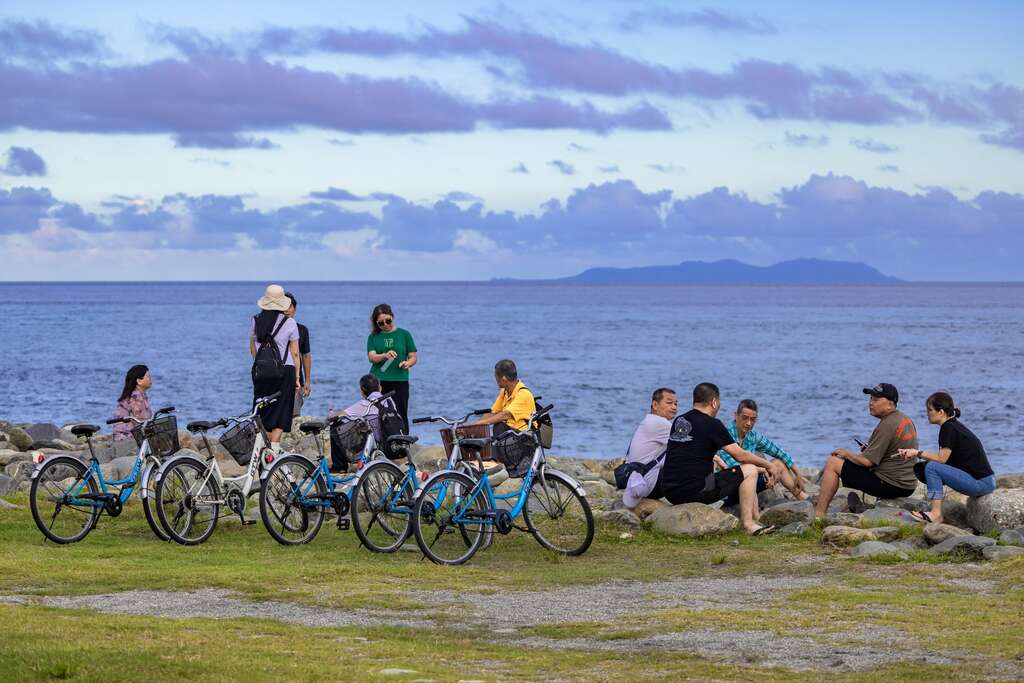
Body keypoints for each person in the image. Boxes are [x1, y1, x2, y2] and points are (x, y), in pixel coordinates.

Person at [656, 383, 783, 535]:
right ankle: (748, 525)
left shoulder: (679, 420)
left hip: (670, 491)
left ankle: (751, 519)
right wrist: (769, 465)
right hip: (695, 491)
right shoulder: (712, 424)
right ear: (714, 402)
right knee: (749, 470)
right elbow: (740, 455)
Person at [814, 383, 919, 518]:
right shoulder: (905, 419)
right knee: (848, 462)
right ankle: (867, 509)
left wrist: (846, 453)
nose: (871, 403)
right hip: (908, 484)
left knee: (833, 463)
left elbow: (867, 461)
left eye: (876, 400)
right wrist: (866, 451)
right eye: (870, 399)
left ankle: (818, 516)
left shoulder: (887, 425)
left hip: (891, 484)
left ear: (890, 404)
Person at [898, 391, 995, 524]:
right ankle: (934, 510)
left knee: (932, 467)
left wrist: (917, 453)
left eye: (930, 410)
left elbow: (941, 459)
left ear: (941, 412)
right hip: (986, 481)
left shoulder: (948, 428)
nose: (927, 413)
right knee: (928, 466)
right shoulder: (952, 426)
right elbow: (945, 460)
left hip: (981, 483)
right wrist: (915, 454)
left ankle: (936, 514)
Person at [715, 399, 807, 503]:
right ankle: (754, 517)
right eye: (745, 418)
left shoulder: (753, 436)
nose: (749, 423)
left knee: (778, 464)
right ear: (736, 415)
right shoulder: (724, 434)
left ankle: (804, 499)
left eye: (753, 419)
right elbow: (736, 467)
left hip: (749, 484)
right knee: (754, 473)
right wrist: (765, 469)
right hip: (726, 491)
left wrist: (798, 473)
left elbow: (777, 451)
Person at [249, 284, 301, 450]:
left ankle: (262, 449)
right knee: (281, 410)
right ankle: (274, 448)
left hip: (262, 371)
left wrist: (262, 364)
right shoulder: (290, 323)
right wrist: (298, 378)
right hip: (285, 371)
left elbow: (253, 348)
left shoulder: (255, 320)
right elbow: (294, 353)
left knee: (262, 409)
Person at [622, 388, 677, 509]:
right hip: (646, 485)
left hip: (634, 479)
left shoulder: (647, 421)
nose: (674, 407)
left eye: (676, 404)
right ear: (655, 405)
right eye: (669, 403)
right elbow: (688, 445)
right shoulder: (660, 423)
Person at [366, 304, 417, 432]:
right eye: (381, 323)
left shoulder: (404, 334)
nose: (385, 324)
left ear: (392, 317)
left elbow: (413, 356)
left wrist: (408, 363)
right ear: (376, 323)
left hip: (400, 380)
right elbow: (371, 357)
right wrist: (384, 355)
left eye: (388, 321)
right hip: (378, 381)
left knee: (400, 412)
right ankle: (380, 442)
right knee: (377, 412)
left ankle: (403, 442)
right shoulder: (373, 337)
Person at [472, 359, 535, 432]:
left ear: (504, 378)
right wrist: (473, 426)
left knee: (499, 426)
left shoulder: (523, 394)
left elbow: (505, 415)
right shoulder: (504, 391)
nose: (495, 379)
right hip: (509, 434)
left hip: (524, 435)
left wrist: (479, 424)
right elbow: (493, 412)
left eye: (496, 376)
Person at [284, 291, 312, 417]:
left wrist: (307, 381)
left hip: (297, 379)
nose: (286, 310)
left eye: (289, 306)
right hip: (278, 376)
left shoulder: (302, 330)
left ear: (295, 309)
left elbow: (305, 356)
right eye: (283, 306)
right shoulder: (274, 329)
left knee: (294, 416)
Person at [112, 364, 153, 441]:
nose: (150, 379)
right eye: (148, 376)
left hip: (130, 435)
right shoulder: (135, 397)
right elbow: (141, 419)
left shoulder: (140, 395)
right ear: (139, 381)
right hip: (127, 437)